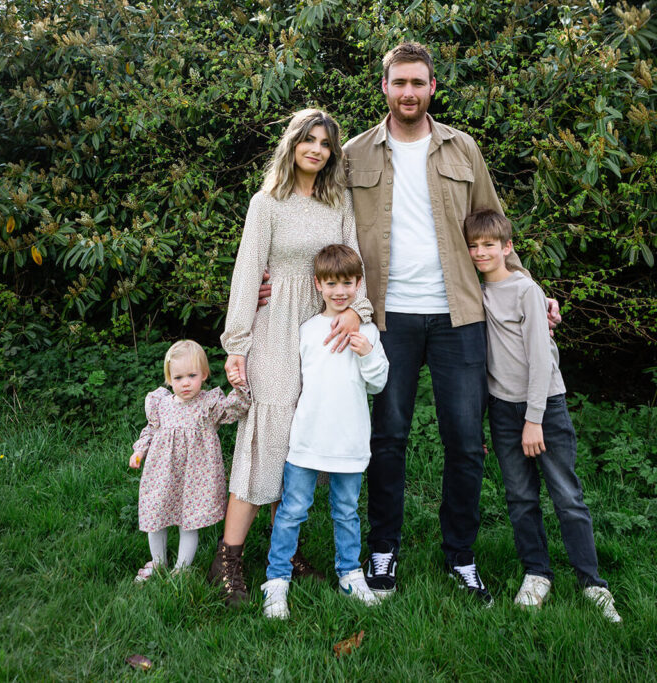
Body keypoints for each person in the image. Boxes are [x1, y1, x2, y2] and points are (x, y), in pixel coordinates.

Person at [341, 41, 559, 605]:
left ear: (432, 87)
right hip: (388, 318)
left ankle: (460, 554)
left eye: (418, 82)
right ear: (384, 87)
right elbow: (328, 230)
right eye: (399, 83)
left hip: (460, 316)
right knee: (388, 438)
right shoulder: (355, 153)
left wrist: (528, 288)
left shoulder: (463, 149)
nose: (408, 92)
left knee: (465, 443)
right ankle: (382, 549)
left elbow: (493, 226)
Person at [210, 109, 373, 606]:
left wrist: (358, 313)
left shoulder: (337, 202)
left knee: (304, 440)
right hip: (277, 328)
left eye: (325, 143)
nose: (317, 150)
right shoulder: (267, 203)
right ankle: (229, 558)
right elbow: (246, 273)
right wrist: (237, 344)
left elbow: (355, 263)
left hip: (323, 329)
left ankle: (288, 549)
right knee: (269, 439)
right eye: (309, 140)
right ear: (292, 144)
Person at [465, 210, 621, 621]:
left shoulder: (526, 291)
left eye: (489, 245)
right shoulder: (476, 294)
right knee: (519, 497)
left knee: (566, 495)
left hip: (543, 407)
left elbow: (540, 357)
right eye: (474, 246)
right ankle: (537, 573)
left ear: (507, 248)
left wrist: (534, 418)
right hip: (502, 409)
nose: (481, 252)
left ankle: (592, 582)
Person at [260, 245, 389, 619]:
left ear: (358, 284)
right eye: (331, 283)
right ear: (318, 284)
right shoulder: (307, 330)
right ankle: (277, 580)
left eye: (347, 283)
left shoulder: (367, 333)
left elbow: (378, 384)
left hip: (349, 440)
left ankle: (349, 573)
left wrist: (366, 352)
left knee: (346, 512)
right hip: (307, 439)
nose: (339, 291)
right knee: (292, 511)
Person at [129, 340, 250, 582]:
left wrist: (239, 389)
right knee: (156, 518)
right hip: (163, 472)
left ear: (204, 374)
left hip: (196, 475)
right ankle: (159, 562)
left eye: (192, 376)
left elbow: (236, 409)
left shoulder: (208, 404)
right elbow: (150, 430)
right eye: (178, 377)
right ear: (169, 379)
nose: (185, 383)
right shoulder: (161, 404)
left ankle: (181, 569)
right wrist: (139, 450)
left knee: (188, 522)